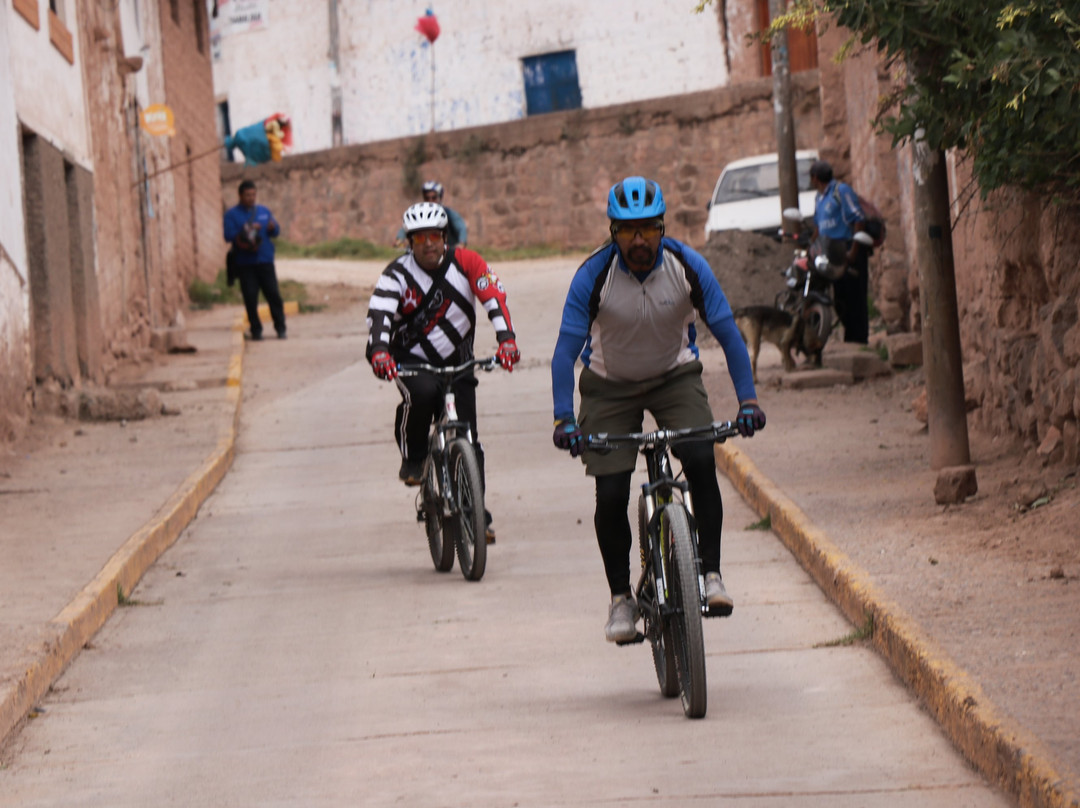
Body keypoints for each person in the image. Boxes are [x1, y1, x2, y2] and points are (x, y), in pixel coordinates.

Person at [550, 176, 766, 643]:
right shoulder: (593, 275)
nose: (639, 240)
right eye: (628, 231)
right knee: (610, 494)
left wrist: (748, 400)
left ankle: (710, 575)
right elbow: (565, 352)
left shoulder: (686, 266)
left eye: (648, 228)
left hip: (674, 376)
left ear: (663, 227)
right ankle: (620, 599)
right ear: (613, 233)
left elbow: (728, 334)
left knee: (703, 461)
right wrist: (563, 416)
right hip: (609, 386)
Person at [366, 201, 519, 542]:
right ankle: (415, 455)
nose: (428, 243)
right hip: (410, 360)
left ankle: (475, 510)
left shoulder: (467, 263)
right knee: (420, 395)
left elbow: (493, 296)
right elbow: (380, 314)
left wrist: (506, 339)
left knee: (470, 439)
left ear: (445, 236)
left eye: (434, 235)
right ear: (410, 242)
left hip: (459, 361)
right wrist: (379, 350)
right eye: (419, 238)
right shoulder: (397, 274)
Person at [808, 160, 869, 344]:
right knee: (840, 295)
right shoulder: (819, 198)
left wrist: (853, 251)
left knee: (855, 295)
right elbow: (818, 227)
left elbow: (858, 218)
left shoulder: (841, 191)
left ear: (815, 178)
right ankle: (850, 335)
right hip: (829, 252)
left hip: (848, 248)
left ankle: (859, 339)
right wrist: (810, 246)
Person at [223, 180, 287, 340]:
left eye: (253, 195)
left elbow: (276, 230)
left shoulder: (264, 211)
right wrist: (247, 230)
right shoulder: (232, 215)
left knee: (273, 295)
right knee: (250, 298)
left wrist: (273, 228)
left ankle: (281, 328)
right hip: (245, 263)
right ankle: (256, 330)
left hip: (265, 260)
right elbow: (228, 235)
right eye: (247, 195)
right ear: (240, 196)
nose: (251, 198)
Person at [393, 181, 468, 249]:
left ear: (440, 197)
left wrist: (461, 243)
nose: (430, 201)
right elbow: (408, 225)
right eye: (427, 198)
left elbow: (461, 227)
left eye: (434, 198)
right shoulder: (420, 213)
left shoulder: (448, 213)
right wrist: (399, 240)